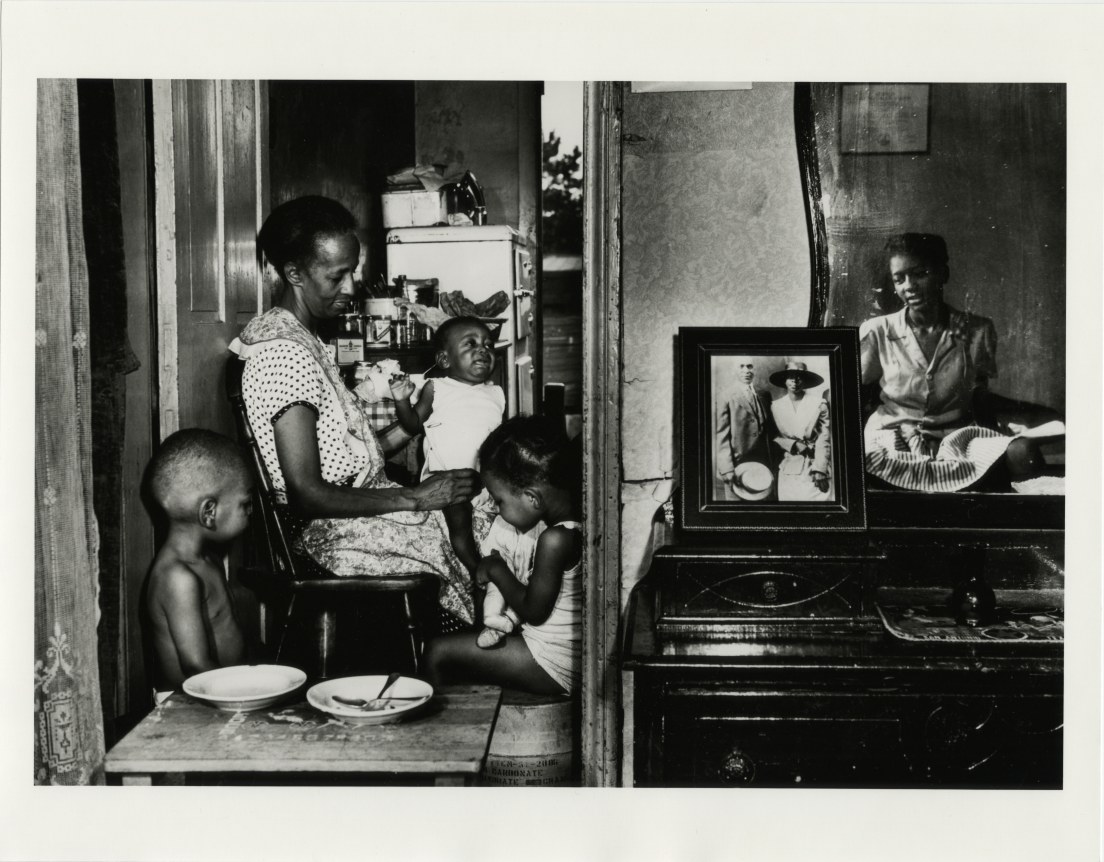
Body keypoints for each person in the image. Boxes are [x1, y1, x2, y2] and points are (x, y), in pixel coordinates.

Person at [230, 195, 487, 625]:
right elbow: (308, 494)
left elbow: (344, 454)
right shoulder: (282, 354)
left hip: (353, 509)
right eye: (337, 276)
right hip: (328, 534)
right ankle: (462, 651)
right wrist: (414, 496)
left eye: (353, 271)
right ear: (294, 273)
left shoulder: (304, 337)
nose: (350, 288)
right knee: (467, 551)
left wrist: (412, 427)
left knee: (479, 520)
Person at [860, 232, 1049, 492]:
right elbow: (855, 394)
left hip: (956, 439)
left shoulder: (977, 330)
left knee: (1022, 453)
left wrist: (1011, 426)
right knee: (863, 462)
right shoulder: (878, 331)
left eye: (920, 274)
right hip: (894, 438)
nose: (909, 286)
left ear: (943, 274)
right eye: (899, 279)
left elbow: (979, 396)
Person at [424, 415, 583, 696]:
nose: (497, 509)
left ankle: (444, 724)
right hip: (554, 651)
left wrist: (497, 569)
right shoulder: (568, 525)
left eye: (499, 501)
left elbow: (534, 612)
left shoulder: (555, 539)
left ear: (532, 498)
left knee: (437, 652)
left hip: (552, 661)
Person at [391, 315, 505, 575]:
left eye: (488, 345)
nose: (483, 350)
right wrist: (401, 401)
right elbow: (412, 424)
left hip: (485, 479)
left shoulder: (496, 393)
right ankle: (475, 568)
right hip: (446, 480)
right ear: (445, 359)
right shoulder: (437, 388)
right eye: (471, 344)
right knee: (459, 519)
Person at [143, 429, 249, 699]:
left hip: (216, 692)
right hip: (186, 702)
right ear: (209, 512)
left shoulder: (207, 560)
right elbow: (195, 665)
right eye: (245, 504)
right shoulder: (178, 577)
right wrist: (244, 695)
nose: (251, 512)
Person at [769, 361, 832, 501]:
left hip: (814, 464)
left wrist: (820, 469)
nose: (795, 381)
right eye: (791, 376)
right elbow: (773, 436)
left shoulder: (819, 404)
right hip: (789, 466)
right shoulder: (776, 406)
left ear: (806, 380)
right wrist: (792, 444)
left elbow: (824, 437)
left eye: (800, 376)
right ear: (784, 380)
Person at [715, 357, 775, 500]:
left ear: (755, 370)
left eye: (749, 366)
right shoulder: (726, 396)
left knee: (763, 508)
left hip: (763, 466)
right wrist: (726, 469)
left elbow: (770, 431)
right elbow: (721, 434)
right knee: (737, 508)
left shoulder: (764, 395)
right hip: (737, 466)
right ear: (733, 370)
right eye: (741, 366)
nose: (746, 371)